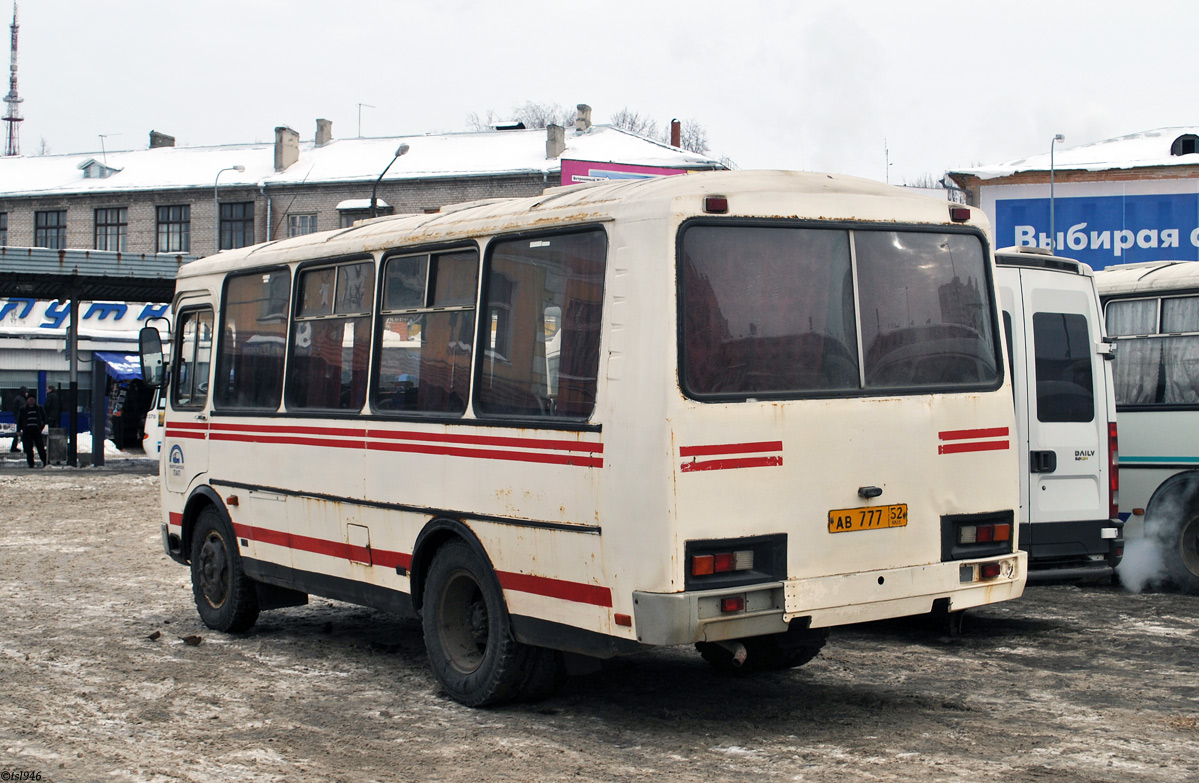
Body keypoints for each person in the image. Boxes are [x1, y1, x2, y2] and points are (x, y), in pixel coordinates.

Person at [18, 393, 47, 468]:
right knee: (28, 448)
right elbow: (20, 420)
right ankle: (31, 463)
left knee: (40, 447)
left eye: (32, 399)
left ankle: (45, 461)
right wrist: (19, 429)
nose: (31, 401)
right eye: (29, 399)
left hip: (36, 430)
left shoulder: (39, 408)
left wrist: (41, 427)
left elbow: (44, 418)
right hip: (27, 431)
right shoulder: (23, 409)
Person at [8, 386, 27, 452]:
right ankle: (25, 448)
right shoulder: (21, 400)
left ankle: (14, 447)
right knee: (24, 434)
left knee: (18, 433)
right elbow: (23, 409)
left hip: (18, 418)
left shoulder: (19, 398)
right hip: (21, 419)